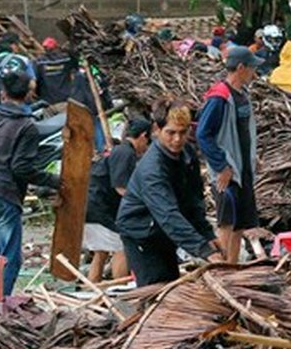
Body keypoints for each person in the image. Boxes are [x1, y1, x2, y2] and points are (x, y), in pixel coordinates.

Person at [0, 67, 60, 297]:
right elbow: (21, 167)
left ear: (3, 94)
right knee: (9, 258)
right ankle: (1, 308)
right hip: (2, 193)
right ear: (28, 95)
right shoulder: (26, 126)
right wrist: (56, 181)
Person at [118, 101, 216, 284]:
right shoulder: (152, 168)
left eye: (183, 132)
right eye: (171, 133)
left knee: (170, 282)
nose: (177, 139)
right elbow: (168, 214)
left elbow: (194, 200)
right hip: (141, 232)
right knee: (154, 288)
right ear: (157, 129)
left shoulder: (187, 154)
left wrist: (208, 235)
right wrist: (204, 250)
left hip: (163, 231)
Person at [197, 47, 261, 264]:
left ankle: (232, 267)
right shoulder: (219, 98)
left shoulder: (243, 96)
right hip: (228, 173)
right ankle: (222, 270)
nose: (254, 73)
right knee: (226, 223)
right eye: (252, 68)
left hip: (243, 170)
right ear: (241, 68)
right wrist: (221, 166)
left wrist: (252, 158)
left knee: (240, 224)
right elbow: (203, 134)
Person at [84, 118, 151, 282]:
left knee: (101, 252)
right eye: (148, 141)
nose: (147, 147)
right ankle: (119, 288)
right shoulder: (125, 152)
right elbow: (120, 187)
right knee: (122, 246)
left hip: (90, 207)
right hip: (99, 209)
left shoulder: (119, 151)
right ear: (143, 136)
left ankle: (94, 287)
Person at [0, 33, 35, 106]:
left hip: (0, 105)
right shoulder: (25, 60)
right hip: (21, 105)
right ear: (11, 46)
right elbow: (32, 84)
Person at [34, 38, 75, 107]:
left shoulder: (39, 62)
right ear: (56, 47)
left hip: (48, 102)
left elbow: (36, 80)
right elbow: (75, 64)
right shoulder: (65, 59)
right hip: (65, 99)